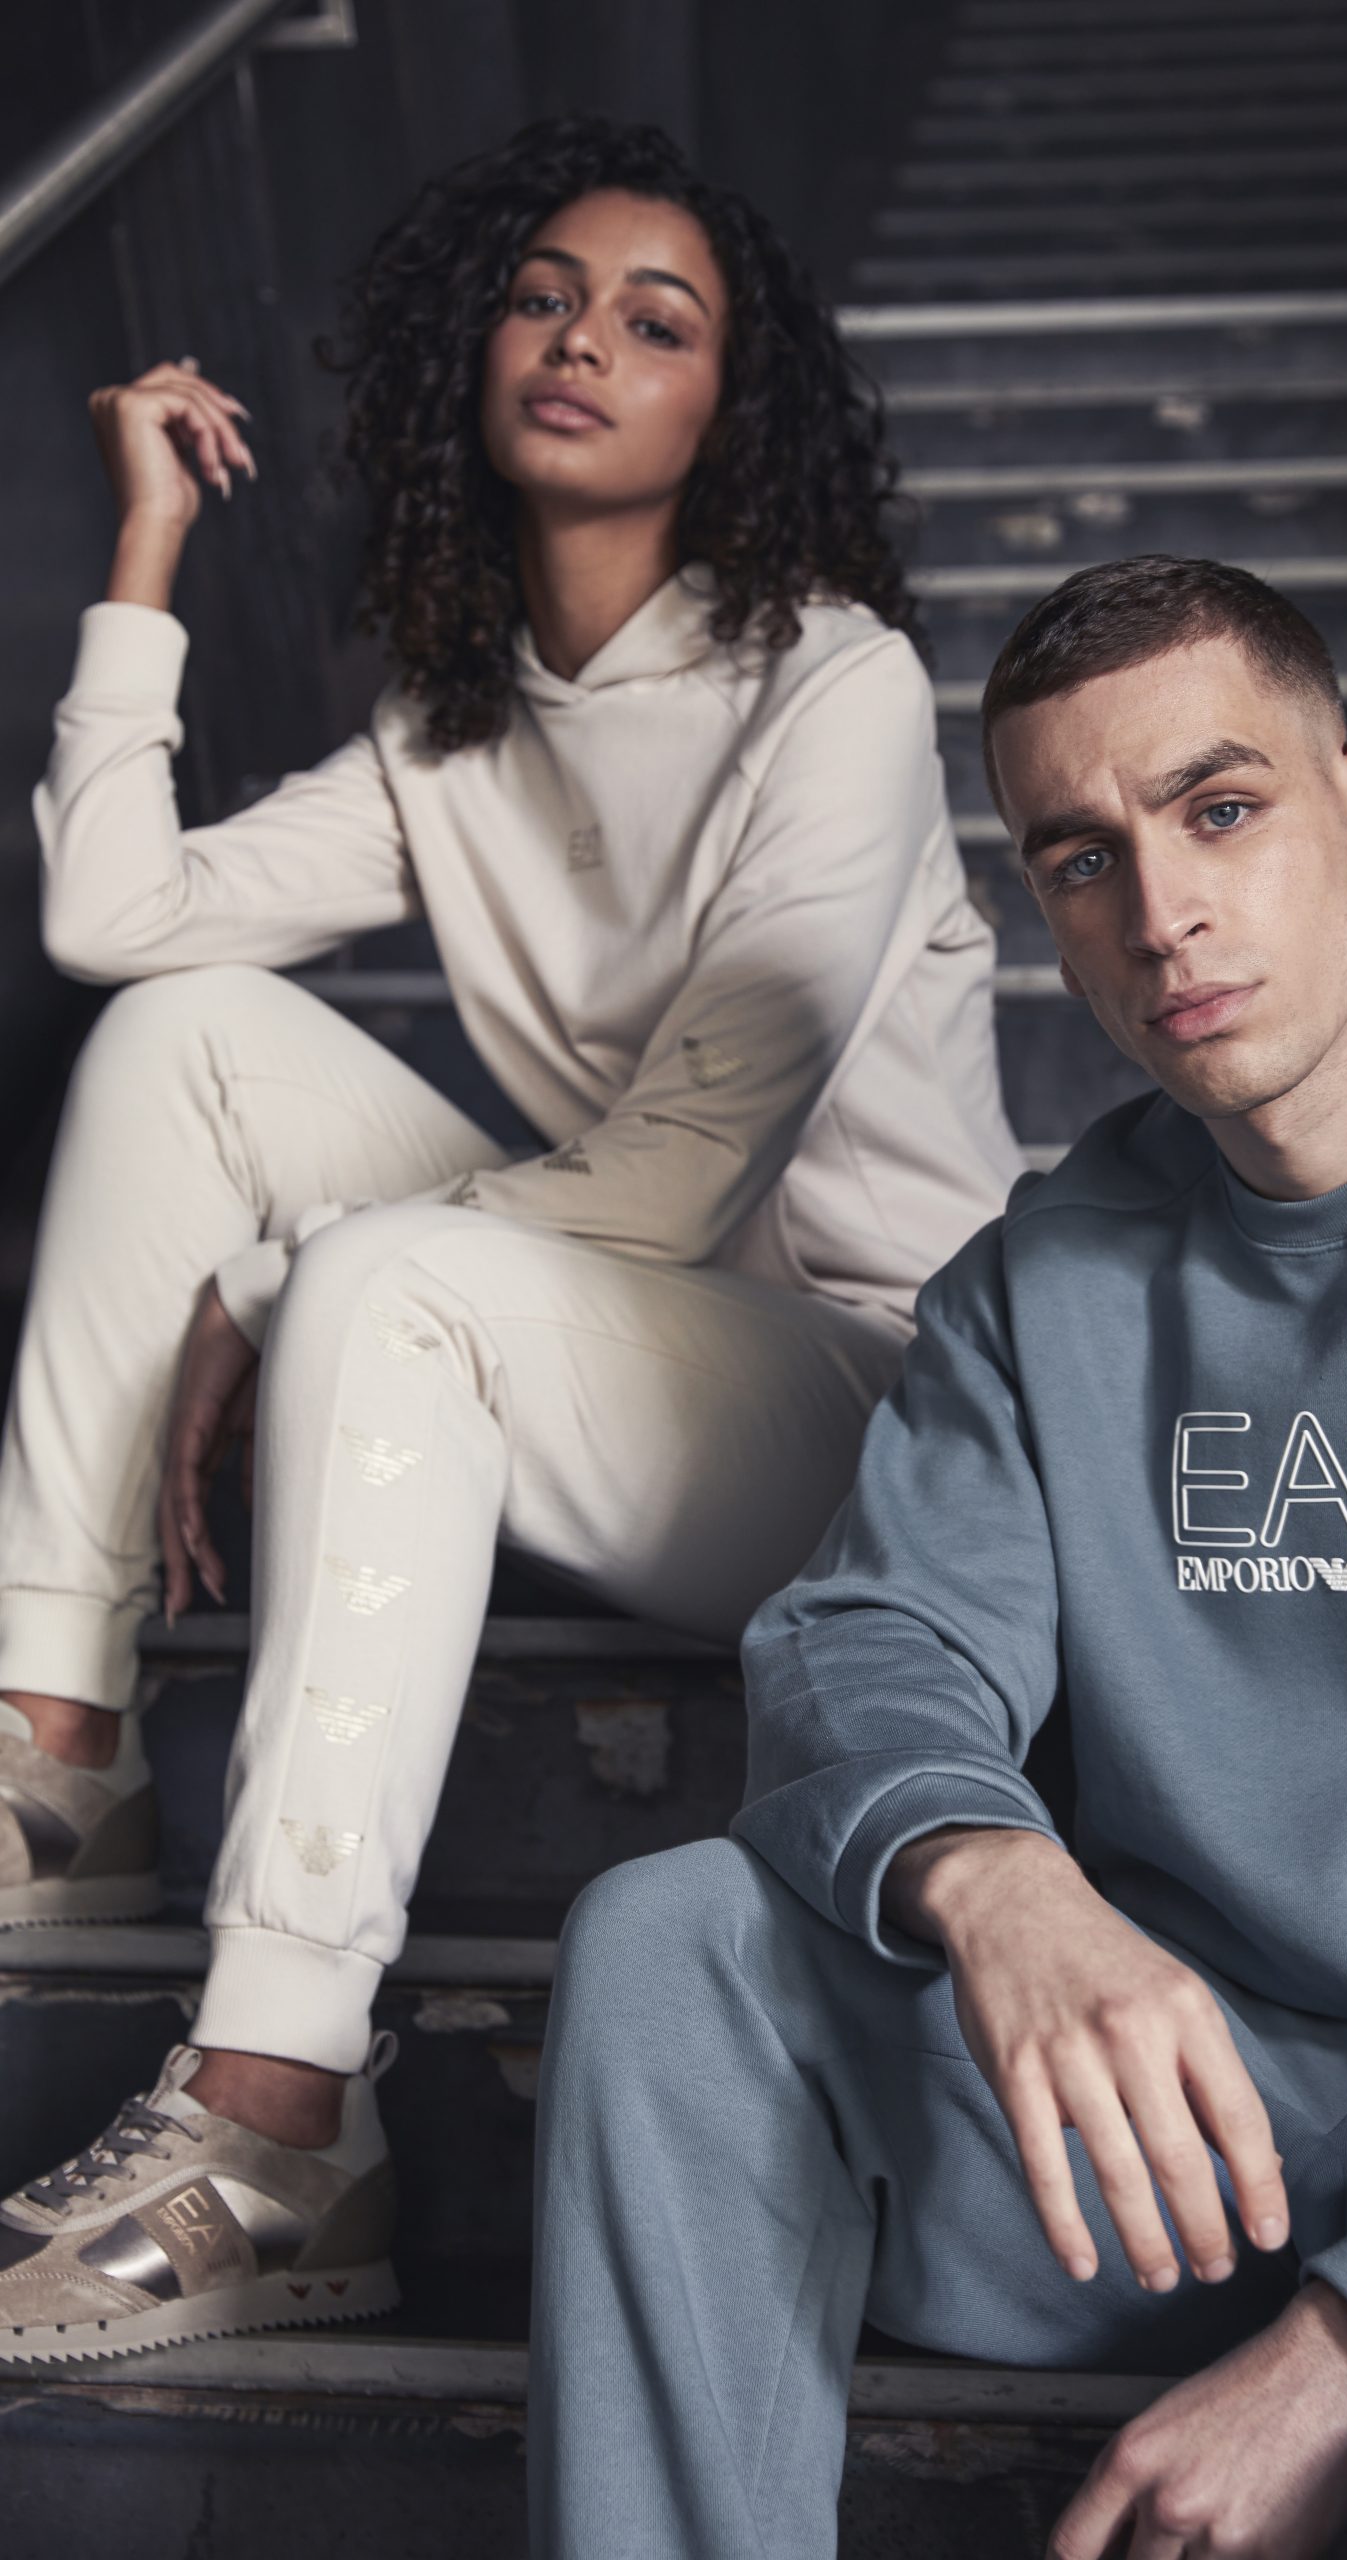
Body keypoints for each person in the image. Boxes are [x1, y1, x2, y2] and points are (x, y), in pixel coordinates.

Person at [530, 554, 1347, 2559]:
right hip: (1195, 2126)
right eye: (1079, 859)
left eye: (1218, 809)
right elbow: (865, 1636)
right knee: (678, 1944)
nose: (1158, 913)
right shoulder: (1042, 1277)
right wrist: (993, 1876)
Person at [0, 117, 1022, 2364]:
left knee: (382, 1275)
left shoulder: (830, 685)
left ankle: (278, 2112)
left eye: (657, 322)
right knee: (184, 1034)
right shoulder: (448, 728)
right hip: (614, 1348)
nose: (582, 342)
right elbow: (114, 917)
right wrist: (146, 552)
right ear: (474, 348)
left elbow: (676, 1175)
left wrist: (284, 1283)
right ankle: (56, 1749)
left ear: (725, 411)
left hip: (876, 1416)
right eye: (545, 296)